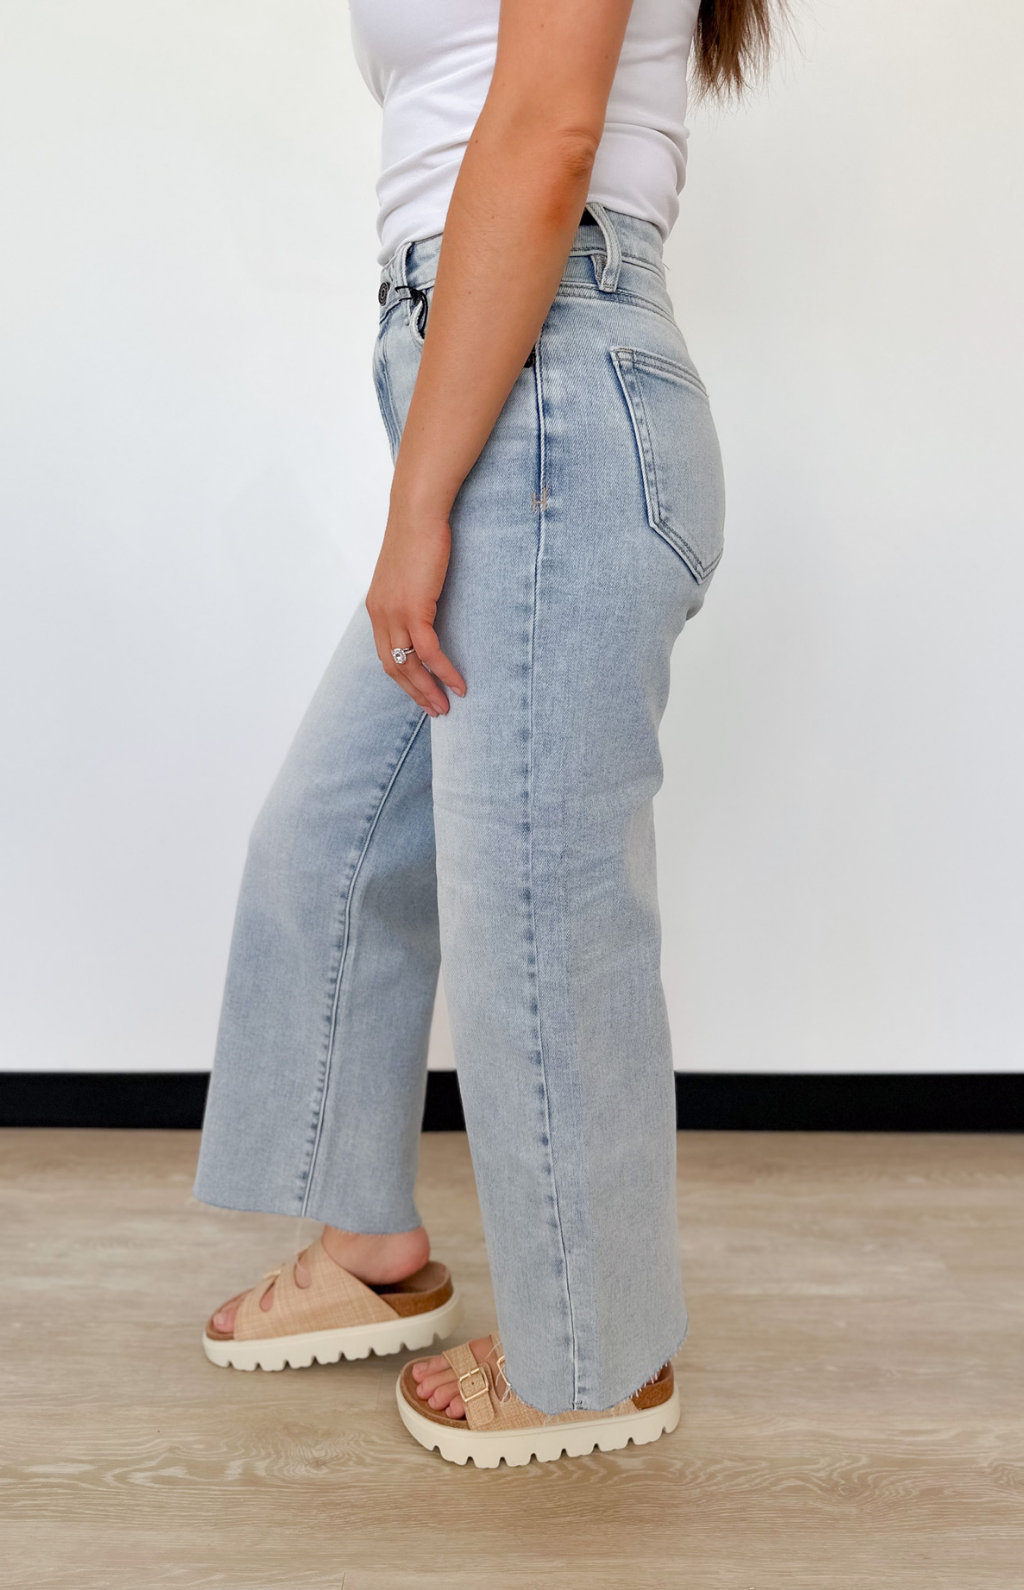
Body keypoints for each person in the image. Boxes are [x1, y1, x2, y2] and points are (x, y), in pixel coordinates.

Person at [193, 0, 776, 1467]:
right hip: (504, 377)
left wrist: (417, 505)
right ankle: (373, 1244)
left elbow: (550, 131)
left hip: (553, 387)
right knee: (336, 838)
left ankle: (596, 1353)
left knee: (540, 900)